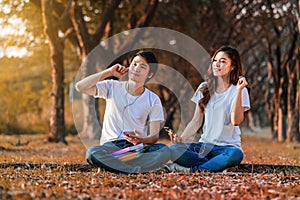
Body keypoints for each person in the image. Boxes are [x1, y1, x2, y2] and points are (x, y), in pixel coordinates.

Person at [75, 51, 170, 174]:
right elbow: (80, 87)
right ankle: (134, 170)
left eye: (143, 67)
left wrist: (141, 139)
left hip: (136, 150)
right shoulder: (112, 87)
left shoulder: (153, 99)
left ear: (150, 74)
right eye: (134, 64)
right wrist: (108, 72)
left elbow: (154, 137)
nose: (136, 69)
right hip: (111, 148)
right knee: (93, 153)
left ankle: (118, 165)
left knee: (164, 151)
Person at [166, 46, 251, 173]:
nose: (217, 64)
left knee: (236, 155)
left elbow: (236, 121)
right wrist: (181, 139)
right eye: (214, 60)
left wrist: (238, 91)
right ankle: (216, 166)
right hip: (203, 147)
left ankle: (189, 170)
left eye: (222, 61)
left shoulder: (239, 90)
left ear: (232, 66)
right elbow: (196, 121)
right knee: (173, 150)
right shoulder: (204, 88)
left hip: (227, 148)